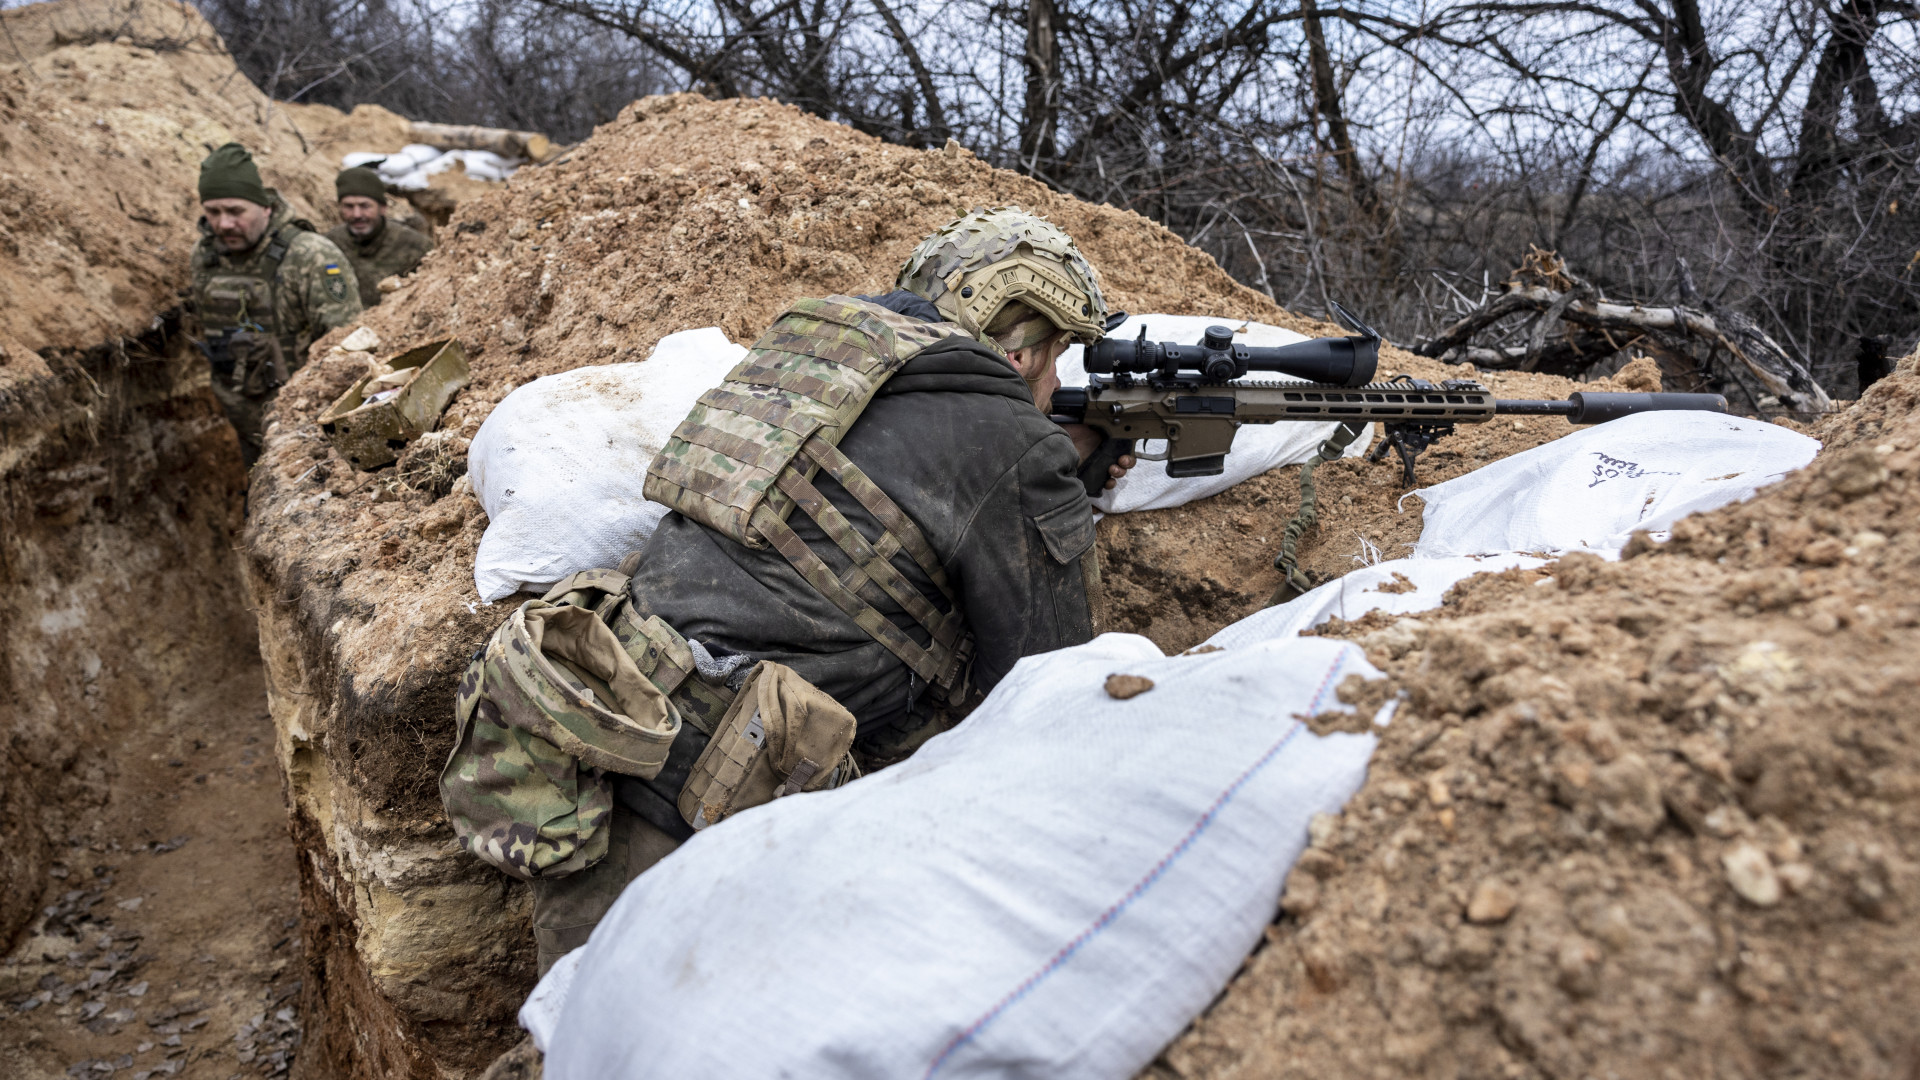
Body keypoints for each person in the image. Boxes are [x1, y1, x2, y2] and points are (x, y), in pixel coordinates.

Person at [445, 207, 1134, 973]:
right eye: (1056, 355)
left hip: (609, 733)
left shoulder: (810, 353)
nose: (1057, 381)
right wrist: (1047, 487)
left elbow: (868, 506)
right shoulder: (1010, 439)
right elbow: (1046, 682)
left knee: (585, 1028)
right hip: (726, 808)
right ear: (1018, 342)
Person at [189, 143, 362, 463]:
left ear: (265, 207)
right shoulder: (205, 256)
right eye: (213, 212)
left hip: (304, 428)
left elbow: (349, 347)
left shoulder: (311, 255)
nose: (224, 224)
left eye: (235, 211)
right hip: (241, 417)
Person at [325, 166, 433, 308]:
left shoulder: (416, 246)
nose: (357, 214)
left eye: (365, 206)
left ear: (382, 208)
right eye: (349, 206)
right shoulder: (329, 245)